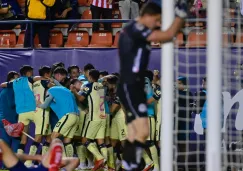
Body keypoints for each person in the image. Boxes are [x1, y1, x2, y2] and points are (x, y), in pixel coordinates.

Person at [117, 1, 187, 169]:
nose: (158, 24)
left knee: (136, 133)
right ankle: (129, 165)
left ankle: (127, 165)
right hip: (130, 84)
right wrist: (181, 15)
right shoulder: (136, 28)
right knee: (141, 132)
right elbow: (168, 34)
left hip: (135, 85)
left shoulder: (137, 29)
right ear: (148, 16)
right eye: (156, 20)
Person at [0, 65, 46, 155]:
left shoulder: (14, 83)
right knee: (39, 134)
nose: (32, 74)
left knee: (22, 139)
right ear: (28, 73)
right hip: (32, 111)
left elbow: (2, 84)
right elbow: (37, 78)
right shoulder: (28, 79)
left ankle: (17, 161)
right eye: (31, 72)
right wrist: (46, 78)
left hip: (21, 113)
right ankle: (30, 160)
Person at [71, 69, 107, 171]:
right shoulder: (101, 86)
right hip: (102, 116)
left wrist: (74, 92)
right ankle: (106, 166)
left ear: (89, 77)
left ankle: (100, 158)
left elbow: (81, 99)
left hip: (93, 117)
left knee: (84, 140)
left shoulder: (88, 86)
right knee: (101, 142)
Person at [25, 66, 55, 167]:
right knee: (38, 138)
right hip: (42, 113)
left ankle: (43, 162)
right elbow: (54, 87)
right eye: (50, 73)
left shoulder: (34, 83)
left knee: (48, 138)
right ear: (47, 74)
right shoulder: (44, 81)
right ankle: (28, 162)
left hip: (38, 111)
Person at [37, 86, 80, 158]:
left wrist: (38, 104)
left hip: (68, 116)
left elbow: (44, 105)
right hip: (76, 117)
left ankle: (62, 160)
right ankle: (70, 162)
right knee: (67, 141)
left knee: (54, 135)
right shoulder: (64, 93)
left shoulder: (50, 91)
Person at [0, 138, 79, 171]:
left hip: (21, 169)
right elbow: (75, 161)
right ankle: (54, 162)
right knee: (56, 141)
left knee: (2, 143)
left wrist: (37, 157)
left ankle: (54, 161)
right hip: (43, 168)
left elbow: (16, 156)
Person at [175, 76, 193, 171]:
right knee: (173, 144)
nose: (177, 84)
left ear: (184, 84)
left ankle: (183, 166)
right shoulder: (173, 93)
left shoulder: (188, 94)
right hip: (174, 123)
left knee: (183, 145)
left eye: (179, 83)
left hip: (184, 123)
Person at [0, 71, 20, 156]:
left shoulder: (3, 91)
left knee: (6, 144)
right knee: (16, 143)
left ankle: (5, 167)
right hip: (11, 121)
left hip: (3, 120)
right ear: (13, 77)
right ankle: (15, 166)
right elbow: (11, 104)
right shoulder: (11, 89)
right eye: (17, 78)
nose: (19, 80)